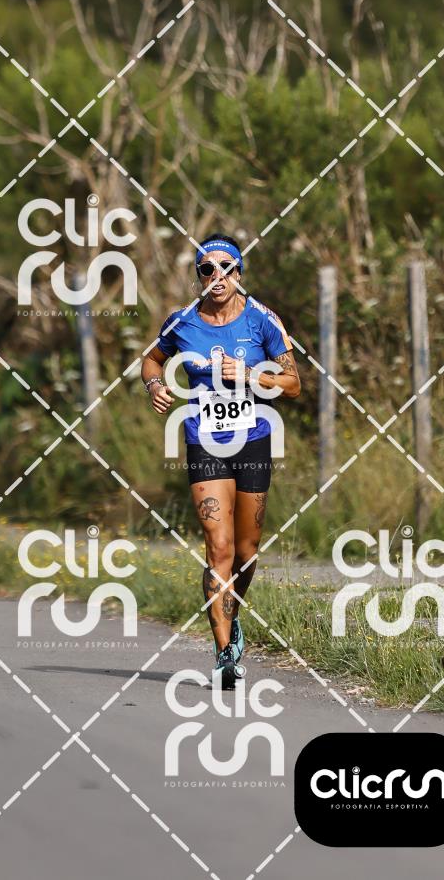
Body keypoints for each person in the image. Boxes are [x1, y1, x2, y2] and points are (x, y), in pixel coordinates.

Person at [141, 234, 301, 688]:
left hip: (253, 440)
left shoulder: (263, 319)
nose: (217, 276)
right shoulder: (182, 322)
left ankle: (233, 611)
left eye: (226, 267)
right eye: (207, 269)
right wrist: (155, 386)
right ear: (199, 276)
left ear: (239, 273)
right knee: (219, 547)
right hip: (204, 440)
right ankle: (224, 652)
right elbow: (150, 360)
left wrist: (251, 374)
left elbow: (293, 384)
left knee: (246, 554)